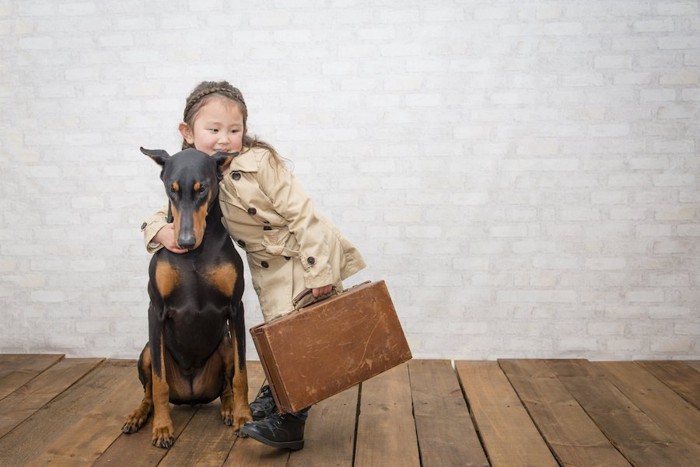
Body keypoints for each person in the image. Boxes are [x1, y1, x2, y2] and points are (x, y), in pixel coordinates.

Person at [140, 81, 365, 450]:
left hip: (301, 255)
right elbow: (174, 210)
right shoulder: (197, 171)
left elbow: (303, 214)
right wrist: (157, 232)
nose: (224, 139)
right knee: (280, 335)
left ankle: (291, 424)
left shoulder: (260, 163)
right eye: (213, 130)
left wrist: (319, 271)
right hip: (269, 267)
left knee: (297, 339)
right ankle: (276, 397)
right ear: (188, 133)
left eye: (234, 130)